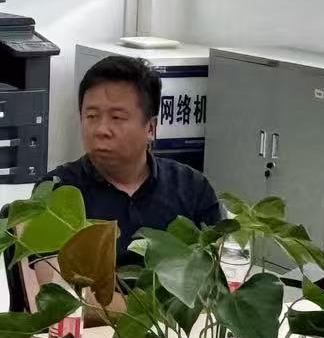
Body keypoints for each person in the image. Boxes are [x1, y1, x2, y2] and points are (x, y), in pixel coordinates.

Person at [46, 54, 222, 252]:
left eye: (117, 117)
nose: (101, 130)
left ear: (150, 128)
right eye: (92, 116)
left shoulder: (193, 189)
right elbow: (47, 271)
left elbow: (214, 263)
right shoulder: (57, 189)